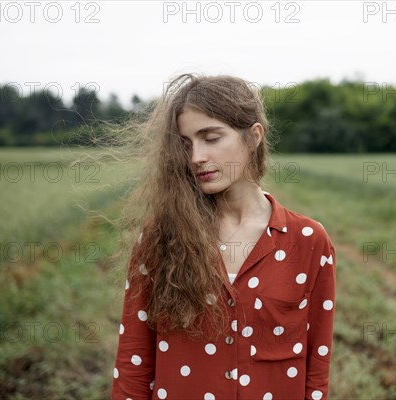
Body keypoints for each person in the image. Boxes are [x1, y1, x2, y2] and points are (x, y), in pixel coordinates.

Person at [111, 73, 336, 400]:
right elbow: (134, 360)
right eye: (186, 143)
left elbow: (317, 364)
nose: (195, 157)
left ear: (253, 137)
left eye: (211, 138)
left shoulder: (308, 241)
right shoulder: (162, 238)